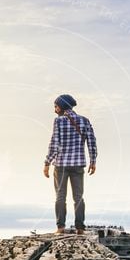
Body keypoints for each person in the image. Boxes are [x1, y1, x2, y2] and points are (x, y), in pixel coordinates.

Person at [43, 94, 97, 234]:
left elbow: (55, 143)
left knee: (60, 196)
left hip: (61, 165)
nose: (55, 110)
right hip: (78, 164)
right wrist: (93, 161)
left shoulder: (59, 121)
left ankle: (60, 228)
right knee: (78, 197)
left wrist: (47, 162)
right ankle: (80, 228)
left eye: (55, 106)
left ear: (61, 107)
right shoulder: (85, 121)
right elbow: (91, 142)